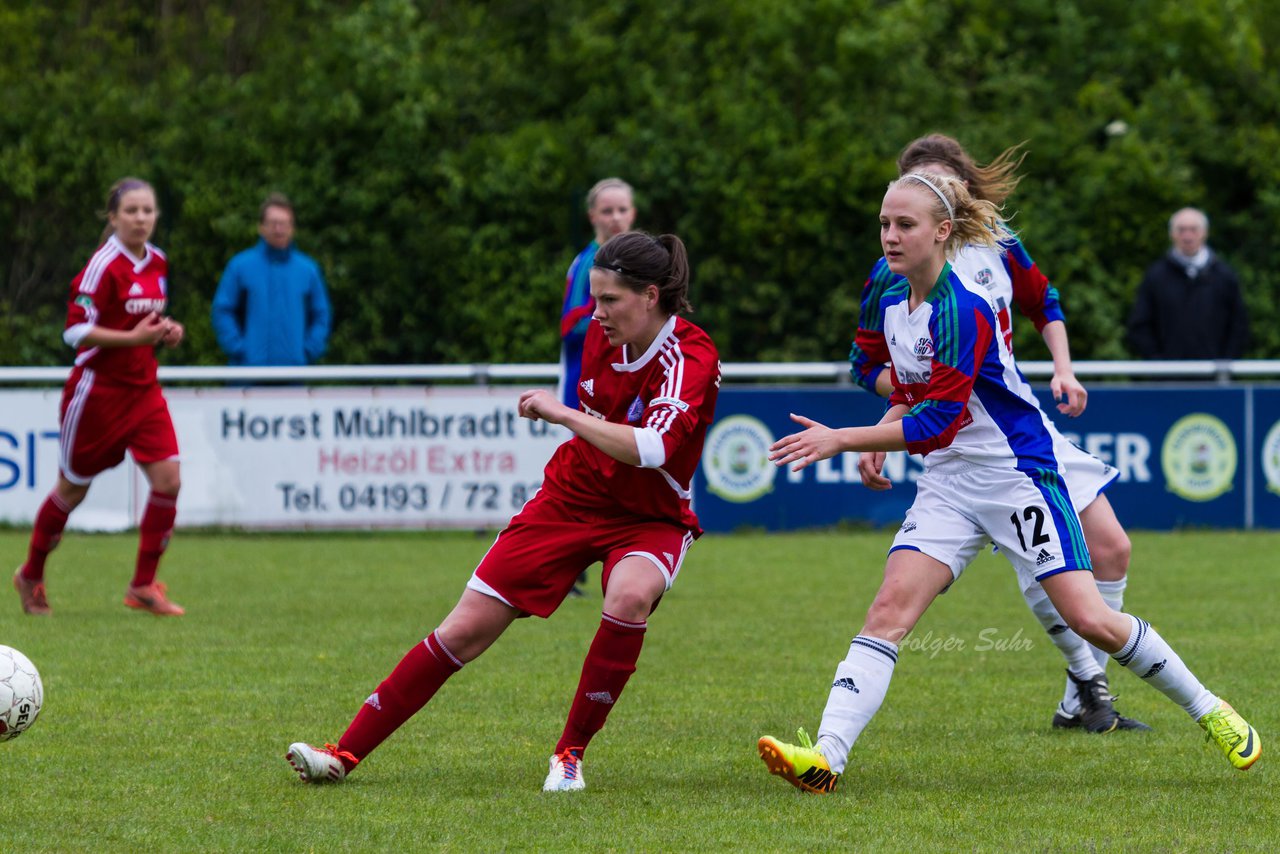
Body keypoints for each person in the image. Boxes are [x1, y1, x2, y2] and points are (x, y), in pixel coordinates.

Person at [756, 172, 1260, 794]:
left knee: (1092, 619)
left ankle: (1212, 710)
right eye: (884, 223)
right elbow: (920, 396)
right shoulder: (891, 298)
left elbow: (939, 421)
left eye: (904, 225)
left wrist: (843, 438)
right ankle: (826, 757)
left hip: (1017, 473)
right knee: (888, 609)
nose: (890, 236)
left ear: (942, 233)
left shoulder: (961, 307)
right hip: (948, 481)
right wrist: (886, 421)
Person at [285, 231, 721, 791]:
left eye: (610, 300)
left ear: (651, 295)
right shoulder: (599, 334)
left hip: (650, 514)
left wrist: (562, 414)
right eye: (594, 299)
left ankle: (569, 756)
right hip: (573, 498)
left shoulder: (691, 354)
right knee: (461, 631)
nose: (597, 313)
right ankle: (342, 754)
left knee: (629, 595)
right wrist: (571, 417)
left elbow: (653, 448)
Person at [851, 134, 1145, 733]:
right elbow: (870, 366)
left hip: (1017, 425)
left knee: (1111, 547)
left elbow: (1045, 302)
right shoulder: (892, 273)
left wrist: (1063, 367)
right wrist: (899, 409)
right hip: (961, 443)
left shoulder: (997, 245)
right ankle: (1091, 688)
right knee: (1045, 568)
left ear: (958, 195)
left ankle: (1084, 690)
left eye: (942, 181)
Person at [13, 177, 186, 617]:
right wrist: (133, 339)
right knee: (73, 490)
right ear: (113, 217)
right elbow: (74, 331)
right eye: (131, 211)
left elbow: (145, 322)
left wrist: (166, 332)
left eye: (148, 210)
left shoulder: (158, 261)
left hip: (144, 390)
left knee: (169, 481)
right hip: (98, 394)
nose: (141, 218)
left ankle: (143, 586)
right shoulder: (103, 265)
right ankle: (30, 574)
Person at [559, 178, 637, 597]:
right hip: (587, 386)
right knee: (587, 475)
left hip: (626, 386)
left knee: (622, 473)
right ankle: (564, 561)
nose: (615, 217)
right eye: (607, 211)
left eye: (622, 209)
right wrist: (605, 310)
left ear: (633, 213)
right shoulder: (589, 262)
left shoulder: (641, 263)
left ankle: (620, 558)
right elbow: (569, 327)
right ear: (593, 217)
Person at [211, 192, 331, 366]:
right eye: (273, 223)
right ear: (261, 227)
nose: (278, 229)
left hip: (293, 375)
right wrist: (240, 350)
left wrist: (307, 351)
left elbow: (321, 314)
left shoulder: (307, 270)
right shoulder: (240, 266)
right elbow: (223, 310)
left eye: (283, 223)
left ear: (292, 228)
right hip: (247, 376)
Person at [1126, 207, 1249, 359]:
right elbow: (1140, 325)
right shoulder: (1156, 276)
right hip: (1168, 376)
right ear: (1172, 234)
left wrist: (1225, 362)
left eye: (1193, 229)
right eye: (1181, 230)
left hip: (1214, 375)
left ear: (1205, 233)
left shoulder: (1224, 276)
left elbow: (1239, 325)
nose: (1187, 236)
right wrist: (1158, 361)